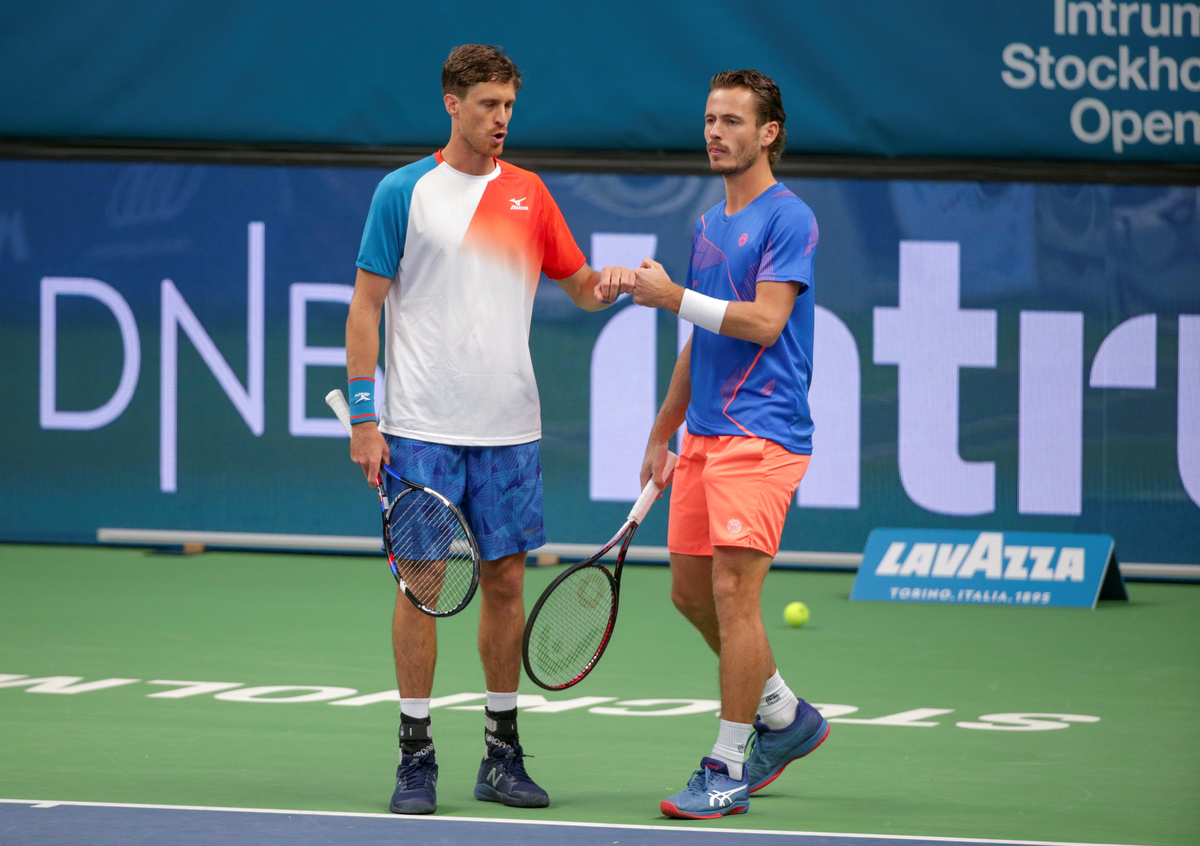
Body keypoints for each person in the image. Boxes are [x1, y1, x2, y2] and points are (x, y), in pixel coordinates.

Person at [344, 44, 633, 816]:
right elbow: (365, 308)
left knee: (505, 582)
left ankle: (501, 754)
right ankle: (415, 755)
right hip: (420, 428)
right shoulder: (403, 192)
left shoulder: (530, 194)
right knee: (425, 587)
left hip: (509, 429)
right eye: (487, 105)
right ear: (452, 104)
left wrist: (613, 283)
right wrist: (365, 418)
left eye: (508, 105)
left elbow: (580, 288)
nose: (501, 118)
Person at [613, 69, 830, 819]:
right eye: (710, 119)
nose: (715, 132)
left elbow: (766, 322)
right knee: (689, 592)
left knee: (736, 596)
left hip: (764, 435)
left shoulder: (790, 218)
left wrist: (673, 295)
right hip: (704, 436)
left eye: (732, 121)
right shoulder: (708, 223)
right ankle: (783, 712)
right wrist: (661, 429)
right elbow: (700, 338)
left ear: (768, 133)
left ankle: (727, 764)